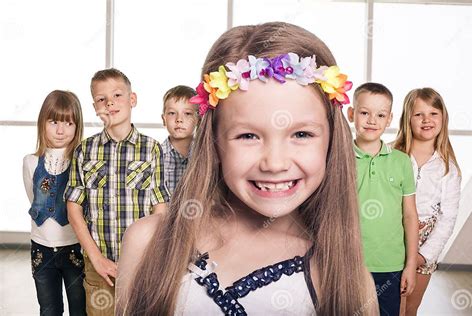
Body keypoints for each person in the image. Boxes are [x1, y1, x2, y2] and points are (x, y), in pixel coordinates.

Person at [116, 22, 378, 315]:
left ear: (332, 140)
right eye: (248, 136)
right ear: (214, 141)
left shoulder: (347, 280)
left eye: (301, 134)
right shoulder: (148, 243)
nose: (275, 163)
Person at [65, 68, 169, 315]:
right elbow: (73, 208)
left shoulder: (151, 149)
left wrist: (145, 255)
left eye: (117, 95)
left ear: (132, 99)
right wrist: (96, 258)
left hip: (142, 263)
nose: (110, 102)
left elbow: (161, 209)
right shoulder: (84, 151)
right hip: (99, 265)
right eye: (102, 99)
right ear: (95, 107)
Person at [347, 82, 418, 316]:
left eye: (380, 115)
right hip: (349, 262)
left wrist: (409, 265)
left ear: (389, 119)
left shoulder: (401, 161)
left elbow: (409, 215)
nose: (371, 120)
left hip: (391, 265)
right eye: (364, 112)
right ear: (351, 114)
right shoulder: (340, 157)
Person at [393, 88, 461, 316]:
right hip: (390, 239)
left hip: (425, 244)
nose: (426, 120)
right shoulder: (391, 156)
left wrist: (422, 256)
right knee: (388, 305)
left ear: (443, 118)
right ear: (407, 119)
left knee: (409, 309)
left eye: (433, 113)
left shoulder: (448, 168)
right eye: (418, 114)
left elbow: (447, 218)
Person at [22, 90, 85, 315]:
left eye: (68, 123)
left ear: (77, 126)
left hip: (75, 247)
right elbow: (34, 197)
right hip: (42, 249)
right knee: (49, 309)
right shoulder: (30, 162)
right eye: (54, 122)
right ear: (43, 123)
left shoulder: (82, 160)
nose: (60, 130)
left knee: (80, 308)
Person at [161, 85, 198, 195]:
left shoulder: (205, 154)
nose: (179, 120)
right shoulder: (154, 157)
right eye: (172, 113)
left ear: (198, 119)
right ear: (164, 119)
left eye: (187, 113)